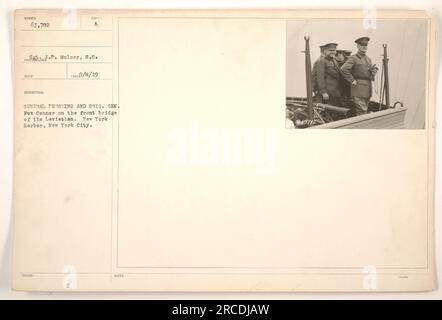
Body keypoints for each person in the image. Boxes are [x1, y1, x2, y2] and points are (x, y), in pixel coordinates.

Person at [340, 37, 378, 116]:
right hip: (359, 89)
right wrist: (352, 80)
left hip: (367, 89)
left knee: (364, 110)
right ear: (357, 46)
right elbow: (343, 69)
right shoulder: (353, 58)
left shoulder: (368, 59)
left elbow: (367, 73)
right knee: (362, 111)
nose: (364, 47)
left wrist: (373, 72)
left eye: (366, 45)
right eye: (362, 45)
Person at [315, 42, 342, 107]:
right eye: (330, 50)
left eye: (334, 50)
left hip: (335, 92)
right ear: (326, 51)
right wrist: (323, 92)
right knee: (328, 112)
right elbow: (320, 78)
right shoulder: (322, 61)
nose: (333, 52)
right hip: (328, 93)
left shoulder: (334, 61)